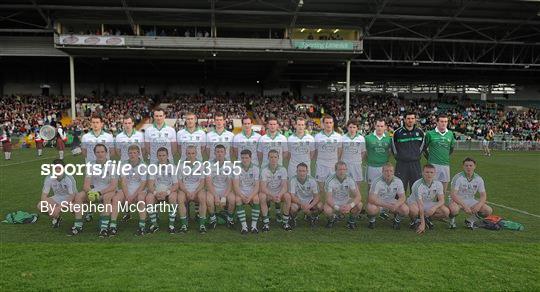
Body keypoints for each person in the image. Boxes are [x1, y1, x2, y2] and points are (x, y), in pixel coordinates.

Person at [70, 144, 121, 237]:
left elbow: (114, 185)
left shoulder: (112, 165)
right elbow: (86, 185)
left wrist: (99, 193)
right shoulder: (90, 165)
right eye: (97, 152)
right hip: (94, 190)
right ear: (94, 153)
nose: (100, 154)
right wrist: (91, 192)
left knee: (106, 197)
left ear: (106, 153)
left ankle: (104, 228)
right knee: (78, 197)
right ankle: (78, 225)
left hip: (109, 190)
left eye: (102, 152)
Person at [448, 157, 493, 229]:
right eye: (466, 166)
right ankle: (451, 221)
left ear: (475, 166)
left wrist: (478, 205)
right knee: (454, 209)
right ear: (463, 167)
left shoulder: (479, 179)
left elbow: (483, 195)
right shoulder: (458, 177)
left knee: (488, 210)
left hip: (470, 200)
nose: (468, 167)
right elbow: (453, 194)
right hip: (456, 199)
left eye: (470, 165)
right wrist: (464, 206)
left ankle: (470, 221)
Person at [407, 164, 450, 233]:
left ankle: (426, 219)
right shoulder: (417, 185)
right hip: (415, 203)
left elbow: (442, 200)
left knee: (446, 212)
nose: (429, 174)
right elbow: (420, 205)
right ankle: (417, 220)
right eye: (427, 172)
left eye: (431, 172)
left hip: (428, 203)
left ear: (434, 174)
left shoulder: (438, 184)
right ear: (422, 173)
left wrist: (434, 208)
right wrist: (422, 224)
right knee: (414, 211)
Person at [146, 147, 179, 234]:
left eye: (164, 155)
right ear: (157, 156)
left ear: (167, 156)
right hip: (157, 191)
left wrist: (167, 193)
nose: (161, 157)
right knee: (149, 198)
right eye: (159, 155)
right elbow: (150, 185)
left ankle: (171, 225)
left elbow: (176, 185)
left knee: (173, 197)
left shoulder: (172, 167)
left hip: (169, 191)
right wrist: (155, 193)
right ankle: (154, 225)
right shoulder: (153, 167)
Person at [366, 163, 408, 230]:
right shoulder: (376, 181)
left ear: (393, 172)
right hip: (379, 203)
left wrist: (396, 205)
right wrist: (387, 206)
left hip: (391, 202)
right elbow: (371, 198)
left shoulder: (398, 181)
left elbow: (403, 197)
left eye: (391, 171)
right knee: (370, 208)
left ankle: (396, 221)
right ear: (382, 172)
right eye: (386, 171)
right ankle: (372, 221)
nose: (389, 173)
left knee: (405, 209)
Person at [38, 159, 77, 228]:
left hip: (70, 198)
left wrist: (59, 208)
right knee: (40, 206)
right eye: (56, 168)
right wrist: (50, 209)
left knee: (75, 209)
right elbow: (43, 196)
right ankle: (57, 218)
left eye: (60, 168)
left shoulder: (69, 178)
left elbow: (72, 195)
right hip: (58, 197)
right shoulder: (49, 178)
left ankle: (79, 222)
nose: (58, 170)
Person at [177, 145, 208, 233]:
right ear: (186, 154)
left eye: (193, 153)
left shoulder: (201, 165)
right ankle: (184, 225)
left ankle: (202, 225)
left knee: (203, 198)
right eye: (189, 153)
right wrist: (186, 192)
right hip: (185, 189)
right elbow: (180, 182)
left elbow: (202, 182)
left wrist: (195, 192)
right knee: (180, 198)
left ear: (196, 154)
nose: (191, 155)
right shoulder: (181, 165)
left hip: (197, 190)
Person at [323, 161, 362, 229]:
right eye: (340, 169)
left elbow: (358, 196)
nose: (342, 171)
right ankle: (332, 219)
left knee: (359, 205)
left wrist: (350, 206)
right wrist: (338, 208)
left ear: (346, 170)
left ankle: (351, 221)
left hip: (346, 200)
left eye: (344, 169)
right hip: (334, 201)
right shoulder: (329, 180)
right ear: (335, 170)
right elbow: (328, 198)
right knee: (327, 210)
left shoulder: (350, 179)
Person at [392, 112, 425, 193]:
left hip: (415, 164)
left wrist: (415, 156)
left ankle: (413, 205)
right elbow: (394, 149)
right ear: (404, 120)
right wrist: (401, 157)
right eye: (408, 118)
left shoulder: (420, 132)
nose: (410, 120)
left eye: (412, 118)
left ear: (415, 120)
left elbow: (422, 147)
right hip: (401, 164)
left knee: (416, 189)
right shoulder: (397, 133)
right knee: (399, 189)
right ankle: (399, 205)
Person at [260, 149, 292, 232]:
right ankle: (266, 223)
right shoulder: (264, 170)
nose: (273, 159)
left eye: (275, 157)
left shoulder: (283, 169)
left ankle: (285, 222)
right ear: (268, 158)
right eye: (271, 157)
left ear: (278, 158)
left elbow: (284, 187)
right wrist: (272, 195)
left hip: (279, 194)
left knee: (288, 196)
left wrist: (279, 195)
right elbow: (263, 187)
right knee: (262, 196)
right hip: (268, 193)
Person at [120, 145, 148, 236]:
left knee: (140, 199)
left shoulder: (143, 166)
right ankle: (112, 225)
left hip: (139, 190)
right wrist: (127, 195)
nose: (132, 155)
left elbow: (143, 184)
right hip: (127, 190)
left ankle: (142, 226)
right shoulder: (124, 164)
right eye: (130, 153)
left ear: (139, 154)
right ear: (128, 154)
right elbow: (123, 182)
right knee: (116, 198)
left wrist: (133, 196)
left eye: (135, 153)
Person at [205, 144, 235, 229]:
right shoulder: (209, 165)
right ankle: (213, 219)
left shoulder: (230, 165)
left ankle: (230, 219)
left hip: (226, 190)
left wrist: (224, 197)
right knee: (208, 200)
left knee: (232, 199)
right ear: (214, 153)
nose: (219, 154)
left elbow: (230, 183)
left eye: (222, 152)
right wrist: (216, 196)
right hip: (213, 190)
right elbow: (208, 183)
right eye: (217, 152)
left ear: (225, 153)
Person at [424, 114, 455, 193]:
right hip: (433, 165)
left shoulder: (450, 134)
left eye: (445, 121)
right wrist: (429, 158)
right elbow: (424, 148)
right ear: (437, 122)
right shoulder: (430, 134)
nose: (444, 123)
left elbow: (451, 149)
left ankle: (440, 204)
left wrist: (444, 156)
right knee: (430, 190)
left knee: (442, 191)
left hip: (445, 165)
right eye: (441, 121)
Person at [232, 149, 261, 234]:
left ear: (251, 158)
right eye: (242, 158)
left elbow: (257, 186)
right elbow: (235, 186)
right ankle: (244, 227)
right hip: (241, 191)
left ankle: (254, 226)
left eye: (246, 158)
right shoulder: (237, 168)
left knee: (256, 199)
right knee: (238, 200)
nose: (244, 160)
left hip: (252, 191)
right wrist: (242, 196)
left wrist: (251, 196)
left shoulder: (255, 168)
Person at [314, 115, 343, 195]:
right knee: (321, 187)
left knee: (334, 187)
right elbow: (315, 151)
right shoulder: (317, 136)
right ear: (323, 124)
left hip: (333, 165)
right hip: (321, 164)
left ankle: (332, 204)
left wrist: (335, 160)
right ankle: (322, 205)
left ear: (333, 123)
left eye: (330, 122)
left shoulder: (338, 136)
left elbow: (339, 150)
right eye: (326, 123)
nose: (328, 125)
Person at [289, 162, 322, 227]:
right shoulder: (293, 180)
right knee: (293, 208)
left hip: (310, 201)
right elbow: (292, 196)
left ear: (307, 171)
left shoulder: (312, 180)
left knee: (320, 206)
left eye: (303, 171)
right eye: (300, 171)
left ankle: (312, 217)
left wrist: (310, 205)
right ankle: (293, 218)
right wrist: (302, 204)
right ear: (296, 171)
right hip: (298, 201)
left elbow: (317, 196)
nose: (301, 173)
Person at [365, 119, 392, 190]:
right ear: (375, 126)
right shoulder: (368, 138)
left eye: (382, 126)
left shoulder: (389, 138)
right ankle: (370, 201)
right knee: (371, 188)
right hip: (372, 167)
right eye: (378, 126)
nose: (380, 128)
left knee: (384, 188)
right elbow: (365, 152)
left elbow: (389, 152)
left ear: (385, 127)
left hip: (384, 167)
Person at [341, 119, 366, 189]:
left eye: (354, 127)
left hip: (356, 165)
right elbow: (340, 151)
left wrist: (358, 160)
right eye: (350, 127)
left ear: (357, 128)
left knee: (357, 185)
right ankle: (346, 199)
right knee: (345, 185)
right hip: (345, 165)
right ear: (347, 127)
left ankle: (356, 199)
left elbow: (363, 151)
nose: (352, 129)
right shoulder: (343, 138)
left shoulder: (361, 138)